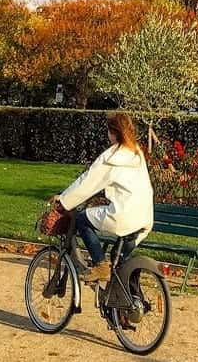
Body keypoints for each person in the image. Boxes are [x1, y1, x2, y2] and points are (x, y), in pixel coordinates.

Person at [52, 113, 154, 284]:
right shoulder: (137, 153)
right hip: (144, 217)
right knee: (118, 263)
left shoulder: (111, 157)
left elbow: (87, 182)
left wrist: (63, 200)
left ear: (112, 132)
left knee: (82, 219)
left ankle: (99, 264)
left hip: (123, 215)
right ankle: (123, 302)